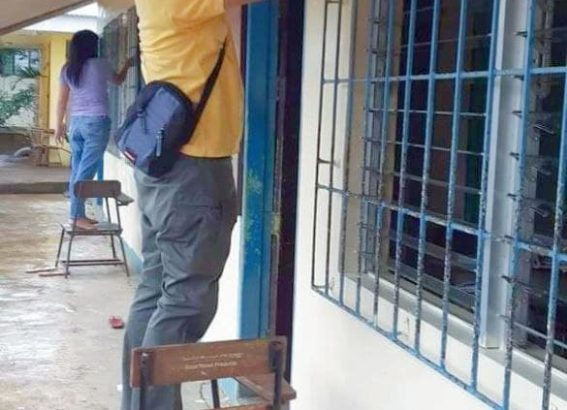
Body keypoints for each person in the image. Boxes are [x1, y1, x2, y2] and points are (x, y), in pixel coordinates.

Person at [121, 0, 263, 409]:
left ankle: (139, 403)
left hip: (168, 167)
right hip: (194, 170)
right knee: (186, 300)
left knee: (156, 291)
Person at [55, 30, 133, 230]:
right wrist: (127, 65)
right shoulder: (100, 65)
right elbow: (118, 80)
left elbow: (62, 100)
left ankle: (77, 215)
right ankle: (76, 216)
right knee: (86, 172)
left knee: (78, 170)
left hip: (76, 124)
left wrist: (58, 126)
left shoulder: (67, 68)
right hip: (96, 123)